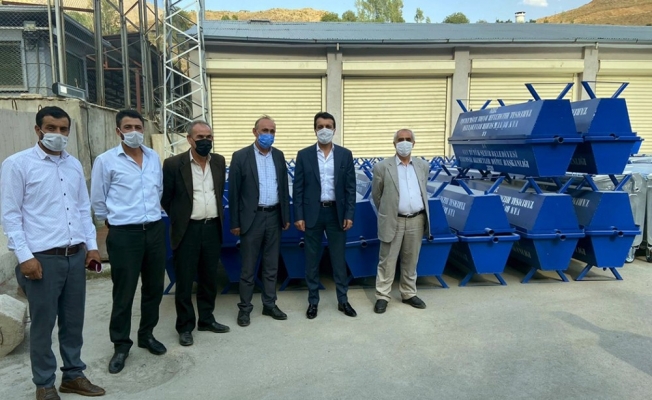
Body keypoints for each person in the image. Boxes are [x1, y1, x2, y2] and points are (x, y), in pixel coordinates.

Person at [1, 106, 105, 400]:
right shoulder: (18, 164)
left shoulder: (73, 165)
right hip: (41, 260)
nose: (57, 134)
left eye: (63, 129)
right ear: (38, 130)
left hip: (75, 256)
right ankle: (44, 383)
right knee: (43, 325)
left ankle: (73, 375)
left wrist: (91, 247)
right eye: (51, 128)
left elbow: (83, 208)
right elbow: (10, 215)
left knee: (73, 322)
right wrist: (25, 257)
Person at [90, 109, 166, 374]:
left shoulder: (153, 157)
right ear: (118, 131)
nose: (134, 131)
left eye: (138, 127)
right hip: (124, 234)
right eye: (128, 127)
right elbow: (98, 200)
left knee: (154, 287)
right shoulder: (106, 161)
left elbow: (158, 190)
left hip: (154, 230)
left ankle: (147, 334)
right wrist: (112, 222)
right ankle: (121, 345)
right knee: (124, 292)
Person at [161, 120, 229, 346]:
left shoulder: (218, 161)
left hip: (212, 228)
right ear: (190, 139)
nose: (205, 141)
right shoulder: (173, 164)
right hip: (187, 230)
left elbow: (218, 191)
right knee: (185, 280)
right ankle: (185, 326)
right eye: (200, 137)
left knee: (209, 278)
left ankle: (207, 319)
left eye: (208, 137)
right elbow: (166, 198)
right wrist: (180, 218)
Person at [293, 111, 357, 319]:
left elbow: (350, 188)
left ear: (334, 129)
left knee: (338, 259)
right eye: (320, 126)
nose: (324, 130)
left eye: (328, 126)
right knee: (312, 260)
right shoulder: (304, 155)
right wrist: (298, 215)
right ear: (315, 129)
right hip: (312, 213)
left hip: (337, 213)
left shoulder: (345, 155)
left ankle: (343, 300)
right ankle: (313, 301)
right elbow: (298, 188)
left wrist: (349, 214)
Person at [229, 116, 291, 327]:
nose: (269, 135)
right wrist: (235, 222)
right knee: (248, 268)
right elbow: (234, 192)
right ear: (255, 132)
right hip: (251, 219)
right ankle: (245, 308)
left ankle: (269, 304)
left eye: (272, 131)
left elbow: (283, 187)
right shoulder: (240, 156)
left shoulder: (279, 156)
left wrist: (285, 216)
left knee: (271, 265)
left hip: (274, 216)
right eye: (265, 130)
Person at [371, 129, 430, 314]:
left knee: (411, 259)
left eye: (408, 139)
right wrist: (389, 212)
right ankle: (382, 296)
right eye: (400, 139)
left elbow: (423, 190)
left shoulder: (422, 166)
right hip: (393, 220)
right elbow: (377, 195)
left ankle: (408, 293)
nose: (404, 143)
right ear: (394, 143)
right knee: (387, 260)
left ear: (414, 143)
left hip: (416, 220)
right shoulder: (382, 167)